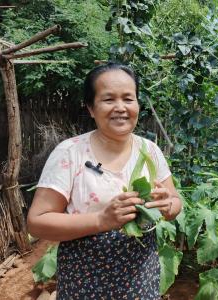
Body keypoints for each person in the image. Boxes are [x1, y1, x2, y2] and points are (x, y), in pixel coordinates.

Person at [27, 63, 182, 299]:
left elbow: (174, 203)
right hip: (85, 280)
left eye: (128, 99)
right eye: (109, 99)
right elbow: (37, 223)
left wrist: (168, 205)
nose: (120, 107)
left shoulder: (149, 151)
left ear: (137, 104)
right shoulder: (71, 152)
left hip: (140, 277)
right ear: (91, 107)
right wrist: (101, 220)